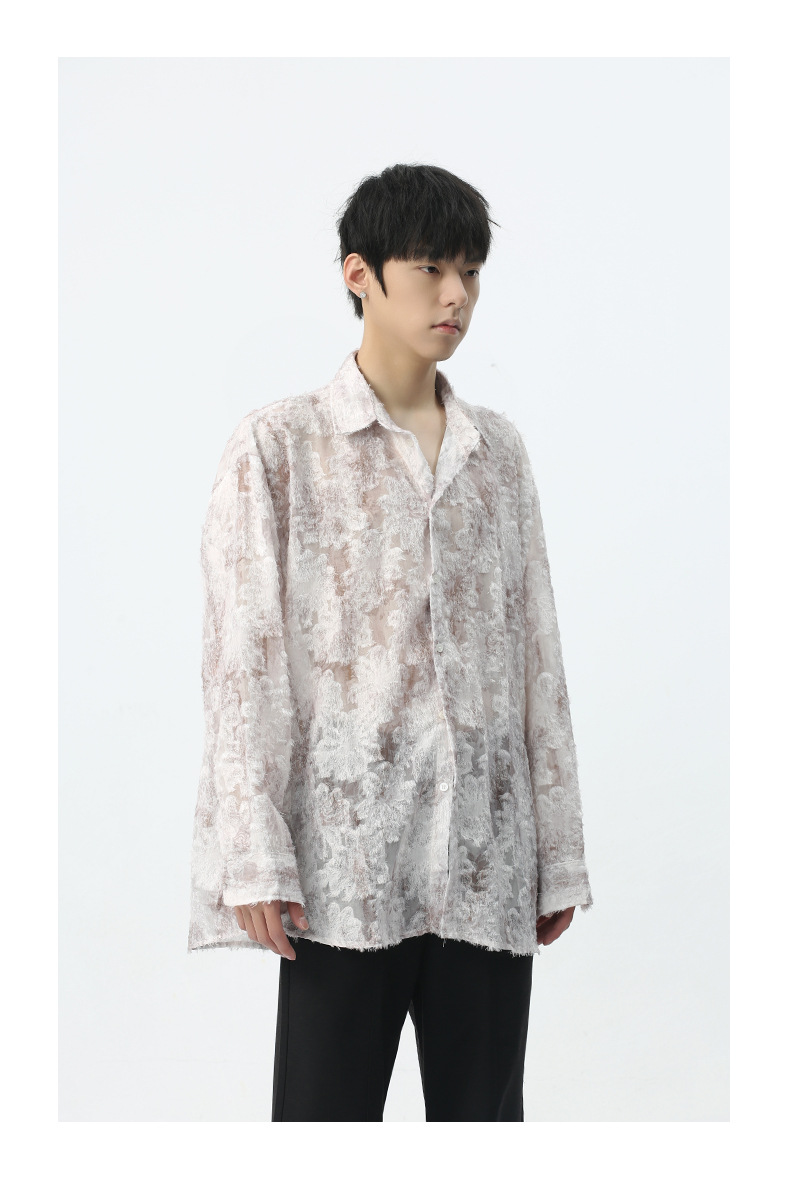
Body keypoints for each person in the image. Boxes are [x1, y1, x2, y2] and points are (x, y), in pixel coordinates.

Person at [188, 163, 593, 1121]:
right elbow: (241, 664)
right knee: (323, 1128)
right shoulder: (281, 446)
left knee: (484, 1131)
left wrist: (557, 848)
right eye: (430, 270)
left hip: (485, 862)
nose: (457, 297)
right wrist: (254, 851)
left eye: (471, 272)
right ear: (359, 274)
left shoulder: (498, 454)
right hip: (346, 870)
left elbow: (538, 655)